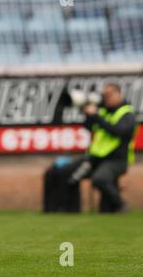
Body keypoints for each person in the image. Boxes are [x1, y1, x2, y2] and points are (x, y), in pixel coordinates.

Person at [46, 83, 137, 213]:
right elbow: (88, 127)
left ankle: (120, 205)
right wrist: (88, 114)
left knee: (100, 179)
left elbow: (118, 131)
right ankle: (68, 209)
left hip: (117, 160)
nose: (106, 98)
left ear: (119, 94)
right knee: (66, 172)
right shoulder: (103, 111)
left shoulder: (127, 114)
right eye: (104, 95)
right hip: (96, 158)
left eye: (109, 95)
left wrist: (97, 116)